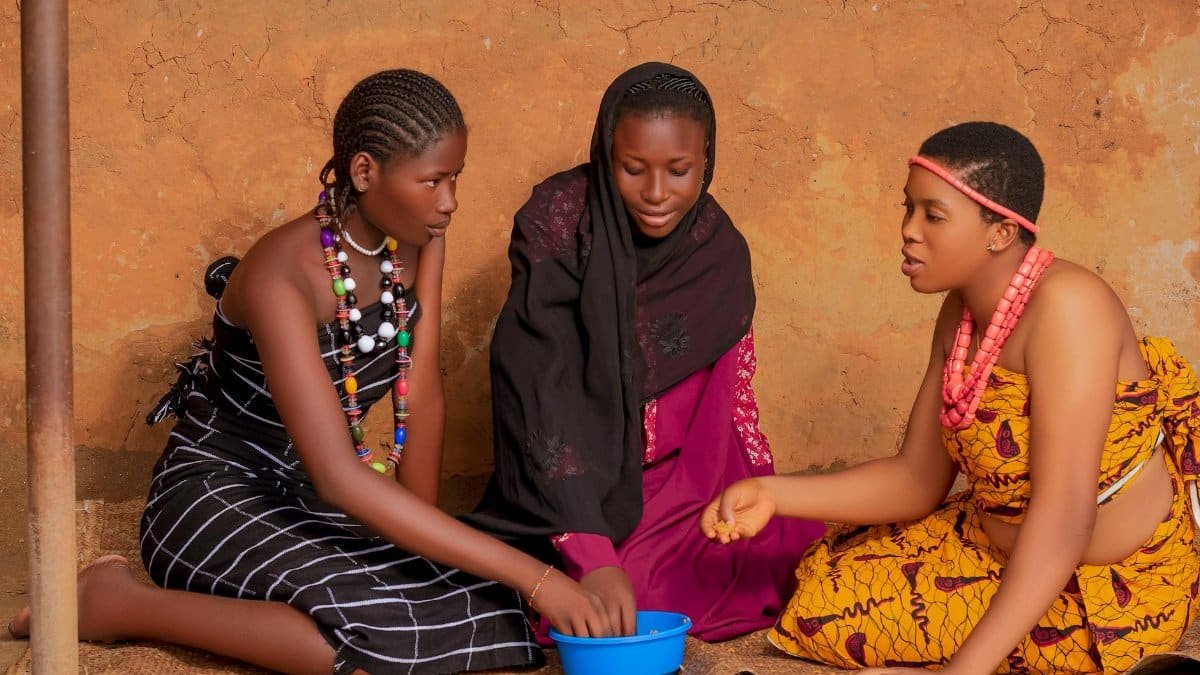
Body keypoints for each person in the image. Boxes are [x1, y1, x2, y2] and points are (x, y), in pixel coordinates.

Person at [8, 68, 614, 675]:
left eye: (456, 177)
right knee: (362, 643)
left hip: (305, 497)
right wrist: (535, 578)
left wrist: (417, 547)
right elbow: (340, 479)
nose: (450, 200)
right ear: (364, 172)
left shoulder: (421, 237)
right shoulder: (281, 274)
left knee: (492, 608)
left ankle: (404, 588)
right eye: (432, 181)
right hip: (213, 493)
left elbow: (420, 391)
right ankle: (118, 604)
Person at [703, 121, 1200, 674]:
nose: (909, 231)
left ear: (1000, 233)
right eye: (907, 208)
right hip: (994, 549)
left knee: (897, 628)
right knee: (826, 592)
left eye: (933, 216)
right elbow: (916, 480)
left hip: (1097, 586)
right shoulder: (960, 313)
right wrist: (772, 494)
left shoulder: (1069, 308)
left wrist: (961, 673)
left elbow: (1064, 519)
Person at [465, 62, 826, 641]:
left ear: (707, 160)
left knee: (761, 566)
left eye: (679, 171)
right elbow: (536, 391)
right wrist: (589, 549)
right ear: (606, 156)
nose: (657, 194)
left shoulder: (719, 251)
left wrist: (731, 502)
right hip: (568, 484)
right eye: (633, 170)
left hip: (685, 486)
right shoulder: (558, 224)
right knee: (600, 599)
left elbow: (724, 414)